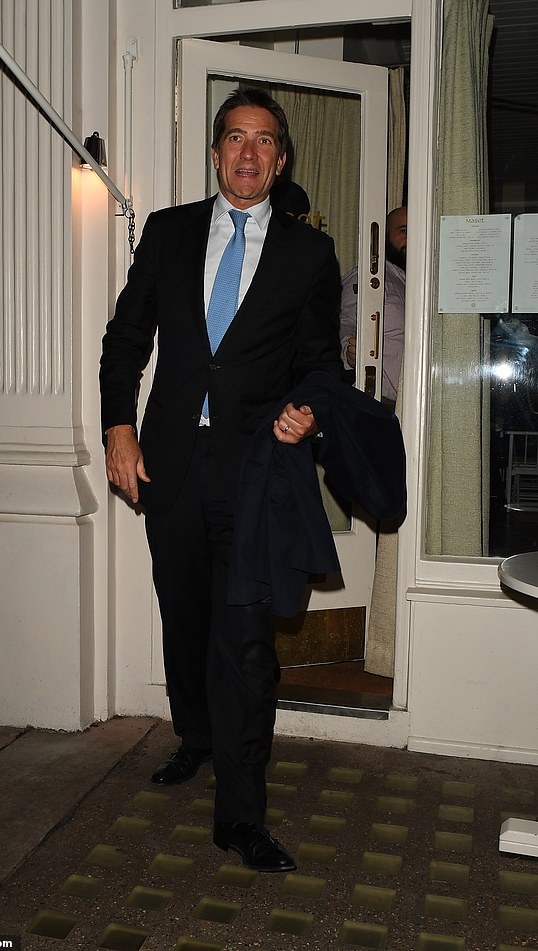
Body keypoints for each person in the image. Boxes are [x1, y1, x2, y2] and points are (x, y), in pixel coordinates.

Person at [100, 87, 342, 873]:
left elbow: (318, 363)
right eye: (234, 138)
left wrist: (308, 408)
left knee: (245, 645)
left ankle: (242, 816)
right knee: (186, 616)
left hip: (254, 474)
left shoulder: (310, 254)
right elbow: (126, 337)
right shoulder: (167, 234)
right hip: (170, 463)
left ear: (280, 157)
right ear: (214, 152)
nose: (247, 154)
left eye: (264, 141)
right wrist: (118, 429)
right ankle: (196, 737)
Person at [340, 206, 407, 408]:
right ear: (385, 238)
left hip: (416, 406)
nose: (412, 239)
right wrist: (349, 350)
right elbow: (346, 322)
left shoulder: (421, 284)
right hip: (379, 404)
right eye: (403, 231)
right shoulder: (371, 278)